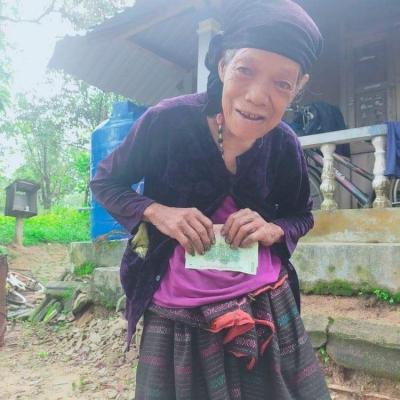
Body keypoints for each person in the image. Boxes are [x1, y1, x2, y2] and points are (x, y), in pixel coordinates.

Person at [90, 0, 331, 398]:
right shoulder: (166, 122)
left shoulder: (284, 144)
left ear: (298, 87)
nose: (258, 96)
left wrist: (272, 229)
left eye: (282, 84)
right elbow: (106, 182)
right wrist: (157, 212)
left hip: (266, 307)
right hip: (179, 316)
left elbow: (300, 215)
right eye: (245, 70)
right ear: (222, 65)